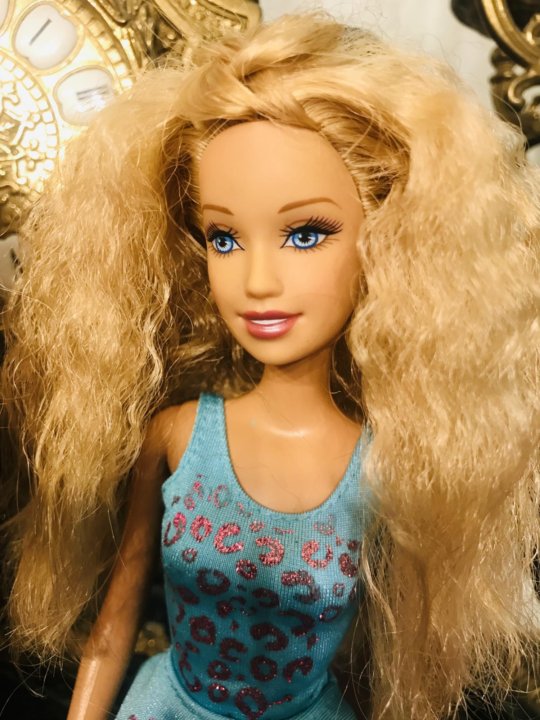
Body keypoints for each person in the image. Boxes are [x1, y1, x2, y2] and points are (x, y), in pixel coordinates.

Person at [1, 13, 538, 720]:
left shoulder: (392, 469)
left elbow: (406, 676)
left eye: (305, 234)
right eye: (223, 238)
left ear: (389, 241)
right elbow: (111, 632)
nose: (256, 282)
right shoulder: (176, 436)